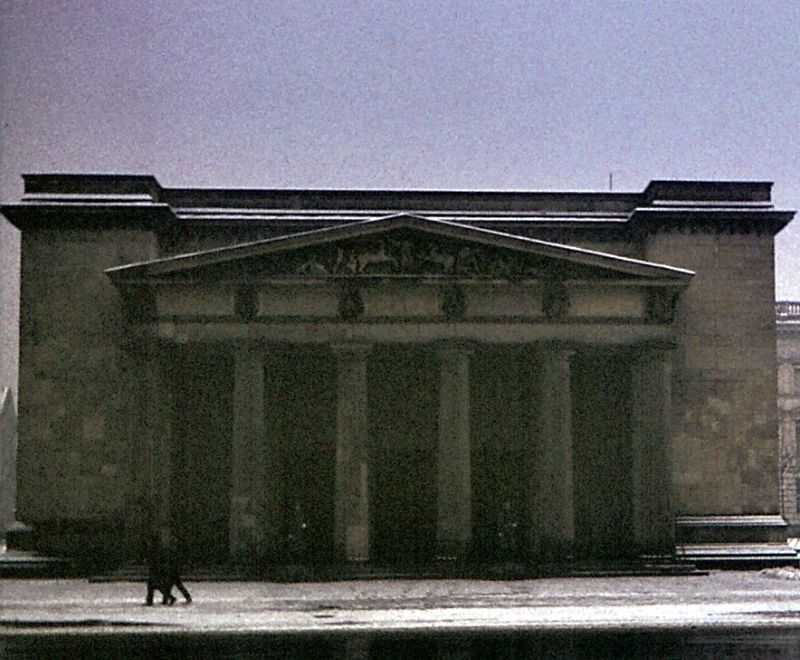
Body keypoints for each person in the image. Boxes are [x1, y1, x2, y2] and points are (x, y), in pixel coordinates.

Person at [144, 530, 192, 606]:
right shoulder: (163, 548)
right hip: (166, 569)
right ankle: (166, 599)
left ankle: (161, 599)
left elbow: (157, 560)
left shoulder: (155, 549)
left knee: (156, 585)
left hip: (162, 569)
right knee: (168, 584)